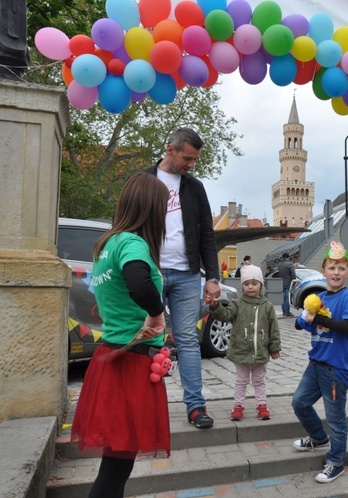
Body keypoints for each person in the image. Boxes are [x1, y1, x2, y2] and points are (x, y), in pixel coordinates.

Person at [71, 172, 170, 498]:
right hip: (129, 364)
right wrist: (157, 314)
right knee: (115, 470)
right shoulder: (131, 242)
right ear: (150, 208)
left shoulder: (107, 244)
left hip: (113, 359)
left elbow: (113, 294)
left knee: (116, 466)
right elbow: (139, 282)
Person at [146, 127, 221, 429]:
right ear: (170, 149)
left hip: (188, 275)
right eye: (187, 158)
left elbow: (206, 234)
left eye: (195, 160)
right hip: (150, 272)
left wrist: (213, 277)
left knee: (189, 340)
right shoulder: (144, 181)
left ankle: (195, 407)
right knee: (146, 337)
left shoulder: (195, 188)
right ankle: (145, 407)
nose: (191, 165)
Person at [291, 241, 348, 484]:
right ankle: (319, 437)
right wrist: (305, 316)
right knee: (299, 403)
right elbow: (298, 325)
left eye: (341, 268)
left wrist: (321, 317)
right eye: (332, 268)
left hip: (335, 369)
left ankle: (336, 462)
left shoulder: (347, 298)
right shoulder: (317, 297)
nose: (336, 273)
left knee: (336, 419)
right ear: (323, 271)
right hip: (315, 365)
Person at [207, 264, 281, 421]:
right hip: (241, 350)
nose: (250, 287)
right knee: (241, 381)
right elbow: (225, 316)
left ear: (261, 285)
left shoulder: (267, 306)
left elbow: (273, 328)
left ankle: (262, 405)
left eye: (254, 283)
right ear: (242, 286)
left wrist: (274, 347)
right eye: (246, 284)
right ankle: (238, 406)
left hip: (260, 351)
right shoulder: (237, 303)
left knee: (259, 381)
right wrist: (215, 305)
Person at [278, 252, 296, 317]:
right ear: (288, 257)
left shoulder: (280, 264)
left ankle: (284, 311)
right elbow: (293, 274)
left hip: (281, 282)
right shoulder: (290, 264)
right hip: (288, 282)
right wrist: (294, 279)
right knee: (287, 297)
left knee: (283, 297)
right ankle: (287, 312)